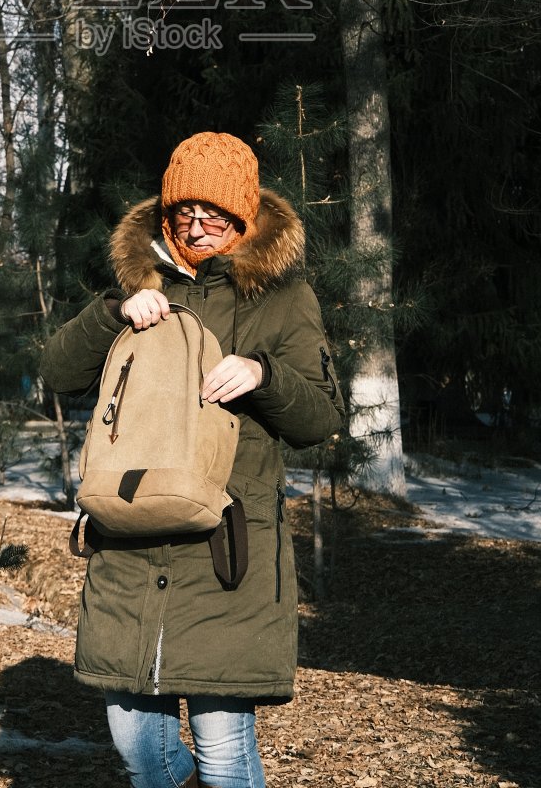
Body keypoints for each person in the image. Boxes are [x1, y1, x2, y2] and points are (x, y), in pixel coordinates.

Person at [40, 131, 345, 788]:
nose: (198, 225)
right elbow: (57, 376)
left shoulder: (284, 299)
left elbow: (320, 419)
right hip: (128, 541)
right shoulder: (135, 289)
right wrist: (111, 313)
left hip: (226, 549)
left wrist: (263, 375)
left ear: (244, 216)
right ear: (167, 213)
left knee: (224, 749)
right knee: (135, 743)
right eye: (185, 212)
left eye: (215, 214)